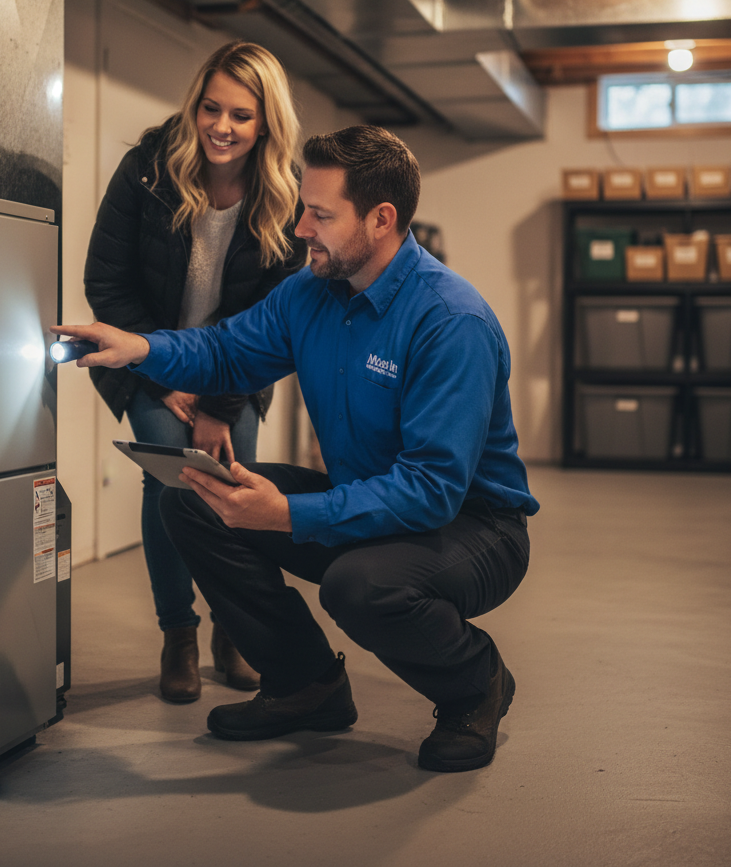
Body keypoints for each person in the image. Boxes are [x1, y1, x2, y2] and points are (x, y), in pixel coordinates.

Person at [57, 125, 538, 772]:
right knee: (195, 500)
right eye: (302, 210)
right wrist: (140, 348)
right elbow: (228, 351)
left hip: (472, 526)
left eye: (319, 214)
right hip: (366, 497)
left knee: (359, 585)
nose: (301, 230)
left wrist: (286, 513)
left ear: (382, 219)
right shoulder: (310, 294)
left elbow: (430, 490)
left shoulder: (450, 322)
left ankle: (474, 684)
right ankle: (307, 683)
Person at [82, 40, 306, 703]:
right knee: (173, 485)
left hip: (237, 370)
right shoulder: (149, 169)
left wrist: (217, 404)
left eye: (241, 114)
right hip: (149, 361)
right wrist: (165, 371)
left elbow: (274, 320)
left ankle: (234, 631)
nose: (222, 126)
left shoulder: (284, 193)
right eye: (212, 108)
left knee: (239, 489)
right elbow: (107, 281)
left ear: (266, 122)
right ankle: (178, 633)